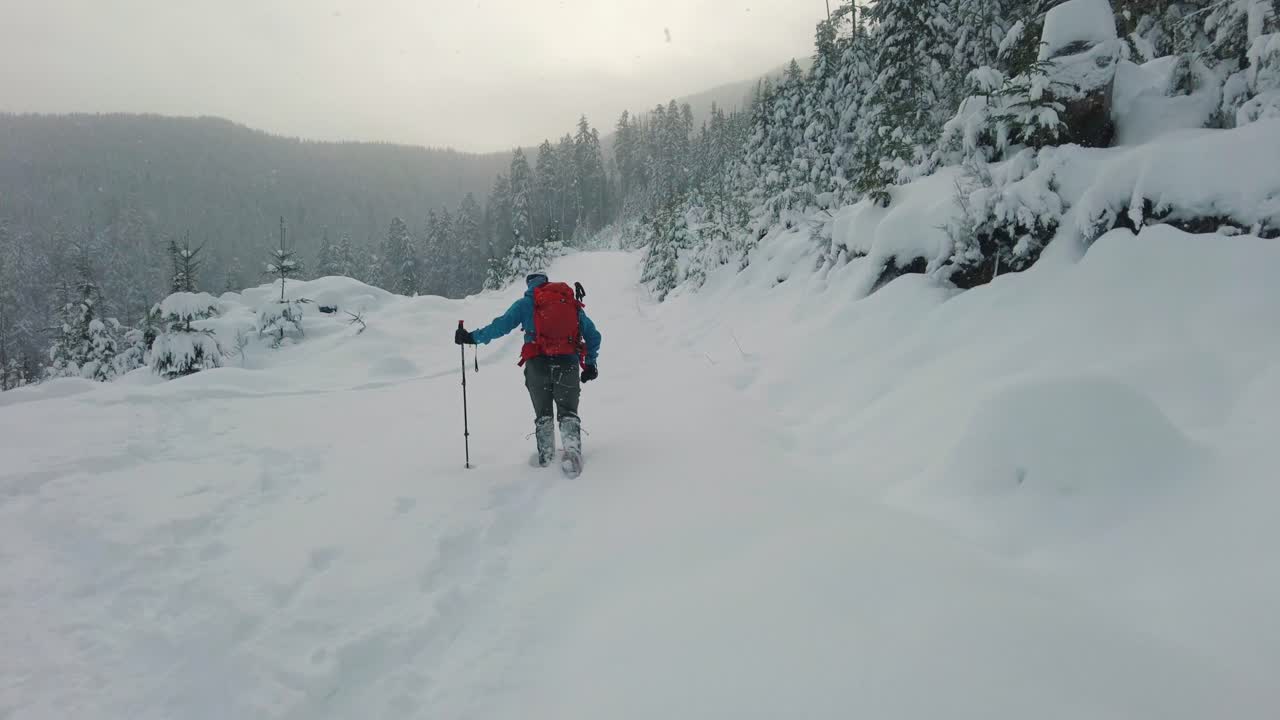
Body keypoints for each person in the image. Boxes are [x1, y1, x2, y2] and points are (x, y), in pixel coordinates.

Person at [455, 272, 601, 470]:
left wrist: (471, 337)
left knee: (543, 414)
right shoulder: (568, 302)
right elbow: (593, 335)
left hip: (536, 365)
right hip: (567, 363)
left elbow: (500, 326)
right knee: (568, 412)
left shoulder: (525, 304)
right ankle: (572, 453)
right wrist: (591, 363)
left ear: (529, 285)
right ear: (547, 283)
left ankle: (546, 458)